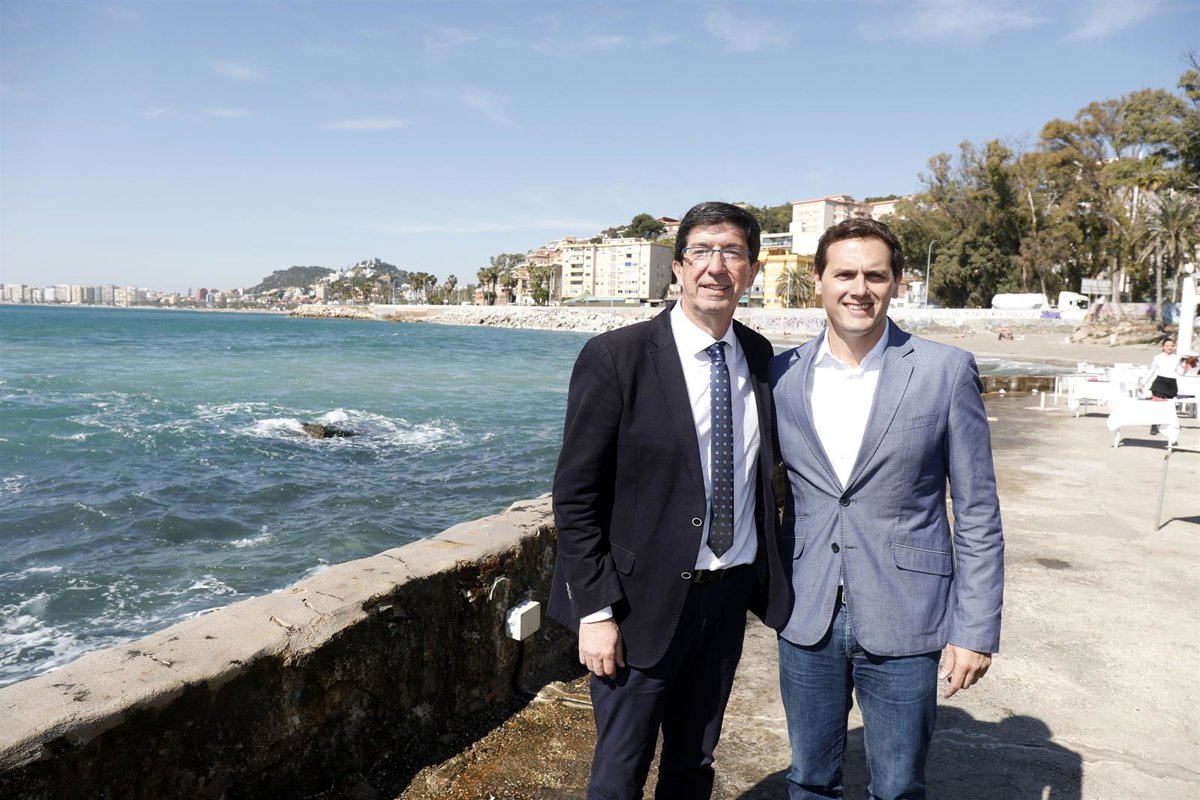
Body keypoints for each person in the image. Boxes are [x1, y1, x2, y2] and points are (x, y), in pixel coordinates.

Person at [549, 201, 788, 799]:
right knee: (620, 770)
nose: (716, 266)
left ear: (752, 271)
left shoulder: (761, 358)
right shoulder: (617, 357)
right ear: (678, 267)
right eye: (701, 251)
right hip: (638, 604)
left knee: (694, 762)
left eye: (732, 252)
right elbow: (576, 496)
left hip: (726, 597)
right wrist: (595, 612)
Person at [768, 218, 1005, 800]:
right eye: (844, 274)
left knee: (898, 788)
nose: (859, 288)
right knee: (808, 780)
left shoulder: (945, 370)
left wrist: (975, 629)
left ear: (896, 283)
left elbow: (977, 510)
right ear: (818, 280)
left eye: (875, 275)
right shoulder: (780, 375)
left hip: (908, 613)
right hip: (806, 610)